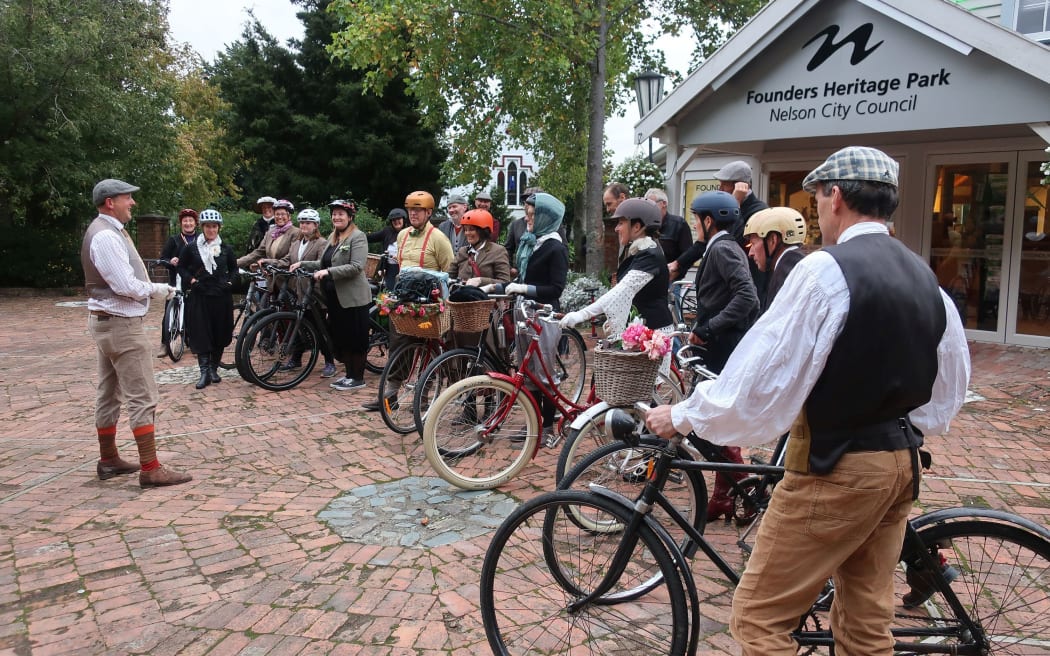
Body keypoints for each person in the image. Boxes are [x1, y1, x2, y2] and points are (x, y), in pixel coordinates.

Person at [646, 146, 970, 655]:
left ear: (835, 196)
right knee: (866, 626)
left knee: (757, 619)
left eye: (817, 197)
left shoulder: (826, 272)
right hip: (900, 463)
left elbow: (764, 378)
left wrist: (683, 415)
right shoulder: (924, 277)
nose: (816, 209)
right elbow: (948, 386)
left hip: (837, 464)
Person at [82, 178, 191, 487]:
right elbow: (125, 286)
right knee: (142, 396)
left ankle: (109, 459)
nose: (132, 203)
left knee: (109, 392)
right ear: (109, 202)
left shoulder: (106, 231)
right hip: (121, 326)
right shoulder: (106, 237)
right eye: (127, 198)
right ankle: (150, 467)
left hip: (107, 322)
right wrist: (161, 290)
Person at [685, 190, 761, 520]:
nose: (694, 227)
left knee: (710, 420)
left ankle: (740, 484)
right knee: (713, 420)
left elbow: (748, 297)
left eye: (696, 220)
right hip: (718, 344)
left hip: (722, 346)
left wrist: (709, 328)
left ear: (709, 220)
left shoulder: (724, 248)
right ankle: (725, 495)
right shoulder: (717, 248)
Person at [485, 192, 569, 436]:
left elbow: (556, 288)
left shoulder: (555, 247)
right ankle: (534, 422)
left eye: (532, 215)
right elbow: (520, 279)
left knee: (543, 373)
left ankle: (549, 426)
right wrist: (493, 287)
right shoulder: (531, 242)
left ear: (545, 217)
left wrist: (524, 288)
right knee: (527, 370)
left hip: (543, 314)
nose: (527, 219)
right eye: (527, 214)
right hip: (524, 311)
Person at [362, 191, 454, 411]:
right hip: (404, 298)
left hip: (428, 301)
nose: (413, 213)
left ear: (429, 212)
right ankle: (389, 395)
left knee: (428, 348)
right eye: (411, 209)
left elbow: (449, 270)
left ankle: (423, 396)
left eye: (418, 210)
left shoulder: (438, 238)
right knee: (397, 345)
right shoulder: (402, 235)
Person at [559, 197, 672, 340]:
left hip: (655, 334)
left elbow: (621, 291)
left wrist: (582, 314)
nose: (617, 228)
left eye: (621, 223)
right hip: (642, 331)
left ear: (637, 226)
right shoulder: (640, 251)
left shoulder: (650, 255)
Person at [292, 200, 372, 391]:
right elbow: (323, 262)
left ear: (350, 217)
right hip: (335, 297)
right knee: (342, 337)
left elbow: (356, 266)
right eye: (334, 214)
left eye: (340, 214)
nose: (336, 217)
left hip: (353, 298)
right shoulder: (333, 237)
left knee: (356, 338)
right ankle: (348, 375)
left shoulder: (357, 237)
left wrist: (328, 272)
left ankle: (358, 378)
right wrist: (302, 264)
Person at [177, 209, 237, 389]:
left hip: (221, 296)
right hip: (200, 295)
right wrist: (192, 280)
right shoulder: (192, 247)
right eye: (208, 227)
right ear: (202, 227)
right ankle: (204, 372)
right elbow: (181, 267)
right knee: (202, 332)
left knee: (219, 332)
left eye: (214, 227)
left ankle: (213, 369)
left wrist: (229, 283)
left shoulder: (226, 249)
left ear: (219, 228)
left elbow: (234, 270)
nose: (211, 230)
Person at [276, 208, 337, 378]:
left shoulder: (322, 243)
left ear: (315, 225)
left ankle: (329, 362)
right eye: (302, 222)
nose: (304, 225)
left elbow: (321, 263)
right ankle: (296, 358)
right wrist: (270, 262)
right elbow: (288, 260)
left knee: (319, 329)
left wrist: (302, 263)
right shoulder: (296, 243)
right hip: (299, 292)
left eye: (308, 223)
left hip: (315, 293)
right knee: (299, 326)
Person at [742, 207, 808, 311]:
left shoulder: (787, 272)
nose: (750, 253)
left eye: (753, 244)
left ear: (773, 240)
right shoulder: (793, 265)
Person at [156, 208, 198, 357]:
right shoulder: (174, 240)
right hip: (176, 280)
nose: (188, 223)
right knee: (170, 309)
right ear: (181, 223)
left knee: (193, 312)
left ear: (195, 223)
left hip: (193, 280)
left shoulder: (200, 238)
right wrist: (170, 261)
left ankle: (193, 342)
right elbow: (164, 258)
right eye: (185, 221)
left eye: (190, 220)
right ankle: (164, 343)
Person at [450, 209, 512, 287]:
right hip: (462, 297)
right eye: (465, 230)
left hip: (487, 298)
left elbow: (505, 282)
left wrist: (481, 281)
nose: (467, 233)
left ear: (483, 231)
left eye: (471, 229)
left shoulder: (498, 251)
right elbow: (449, 276)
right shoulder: (462, 251)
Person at [237, 198, 301, 273]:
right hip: (271, 277)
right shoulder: (270, 233)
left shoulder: (296, 232)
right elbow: (258, 252)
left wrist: (267, 262)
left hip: (288, 277)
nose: (280, 217)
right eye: (277, 214)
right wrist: (235, 263)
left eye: (283, 214)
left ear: (289, 216)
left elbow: (290, 258)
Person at [644, 188, 693, 266]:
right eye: (646, 205)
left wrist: (675, 268)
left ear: (664, 203)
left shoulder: (679, 224)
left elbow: (688, 255)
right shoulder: (644, 224)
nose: (648, 208)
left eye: (652, 204)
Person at [367, 208, 406, 290]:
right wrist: (356, 235)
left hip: (404, 269)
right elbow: (371, 237)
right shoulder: (387, 231)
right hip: (390, 269)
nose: (396, 222)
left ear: (404, 219)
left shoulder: (410, 232)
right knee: (390, 292)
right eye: (393, 220)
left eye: (398, 219)